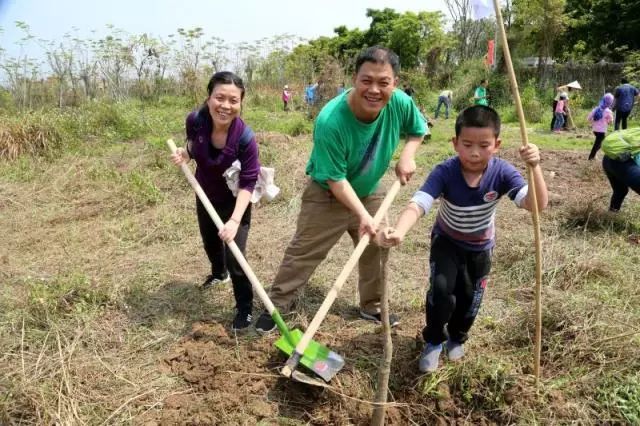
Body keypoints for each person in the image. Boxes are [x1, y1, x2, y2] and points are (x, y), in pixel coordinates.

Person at [255, 46, 427, 333]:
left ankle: (372, 306)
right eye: (366, 80)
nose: (374, 89)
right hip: (326, 194)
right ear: (354, 79)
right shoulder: (330, 121)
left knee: (376, 249)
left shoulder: (400, 102)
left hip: (370, 190)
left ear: (394, 83)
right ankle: (278, 306)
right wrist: (362, 215)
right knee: (304, 251)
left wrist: (407, 155)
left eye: (383, 82)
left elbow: (417, 130)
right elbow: (336, 179)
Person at [376, 105, 549, 373]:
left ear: (497, 144)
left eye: (484, 145)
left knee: (470, 298)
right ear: (455, 143)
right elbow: (419, 203)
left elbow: (536, 204)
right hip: (446, 242)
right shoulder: (445, 171)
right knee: (441, 292)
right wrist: (399, 230)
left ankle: (457, 337)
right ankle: (434, 340)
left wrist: (534, 167)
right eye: (467, 144)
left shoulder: (502, 173)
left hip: (480, 248)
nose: (475, 152)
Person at [170, 71, 260, 331]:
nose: (226, 106)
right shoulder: (196, 121)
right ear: (209, 98)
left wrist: (234, 221)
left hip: (235, 201)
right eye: (220, 97)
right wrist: (185, 153)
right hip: (205, 193)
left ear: (241, 103)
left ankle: (244, 309)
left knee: (236, 256)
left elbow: (248, 181)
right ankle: (218, 274)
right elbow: (192, 146)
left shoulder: (245, 138)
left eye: (234, 100)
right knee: (210, 242)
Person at [601, 128, 640, 212]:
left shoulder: (636, 131)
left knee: (620, 190)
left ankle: (611, 217)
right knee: (620, 190)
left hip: (609, 158)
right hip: (622, 162)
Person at [587, 93, 614, 160]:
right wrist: (607, 122)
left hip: (595, 130)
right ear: (610, 103)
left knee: (599, 143)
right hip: (602, 131)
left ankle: (593, 155)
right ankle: (591, 157)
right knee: (599, 144)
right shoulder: (608, 111)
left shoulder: (596, 109)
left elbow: (588, 118)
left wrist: (593, 121)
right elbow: (611, 121)